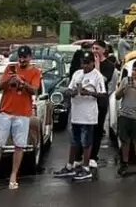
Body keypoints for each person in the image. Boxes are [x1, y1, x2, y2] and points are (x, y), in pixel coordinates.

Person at [0, 46, 42, 191]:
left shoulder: (35, 71)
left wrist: (21, 82)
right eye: (20, 57)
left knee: (19, 145)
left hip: (23, 113)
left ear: (30, 57)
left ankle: (13, 176)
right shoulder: (10, 68)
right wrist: (8, 81)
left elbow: (34, 90)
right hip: (5, 111)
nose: (22, 60)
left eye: (25, 57)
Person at [54, 53, 108, 181]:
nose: (85, 66)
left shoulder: (97, 76)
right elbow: (68, 89)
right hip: (76, 113)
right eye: (83, 63)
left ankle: (86, 167)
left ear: (92, 63)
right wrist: (71, 92)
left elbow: (103, 94)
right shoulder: (77, 74)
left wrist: (89, 93)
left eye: (87, 63)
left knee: (86, 142)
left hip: (88, 115)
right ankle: (70, 165)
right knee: (74, 141)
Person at [114, 60, 136, 177]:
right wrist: (123, 88)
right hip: (125, 115)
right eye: (135, 70)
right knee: (125, 140)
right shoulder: (125, 80)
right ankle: (124, 163)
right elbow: (117, 96)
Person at [89, 41, 117, 170]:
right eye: (93, 48)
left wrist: (97, 65)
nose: (94, 51)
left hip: (101, 100)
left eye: (97, 48)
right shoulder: (88, 62)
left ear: (104, 50)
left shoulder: (109, 65)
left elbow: (101, 80)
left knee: (98, 128)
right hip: (88, 100)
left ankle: (93, 156)